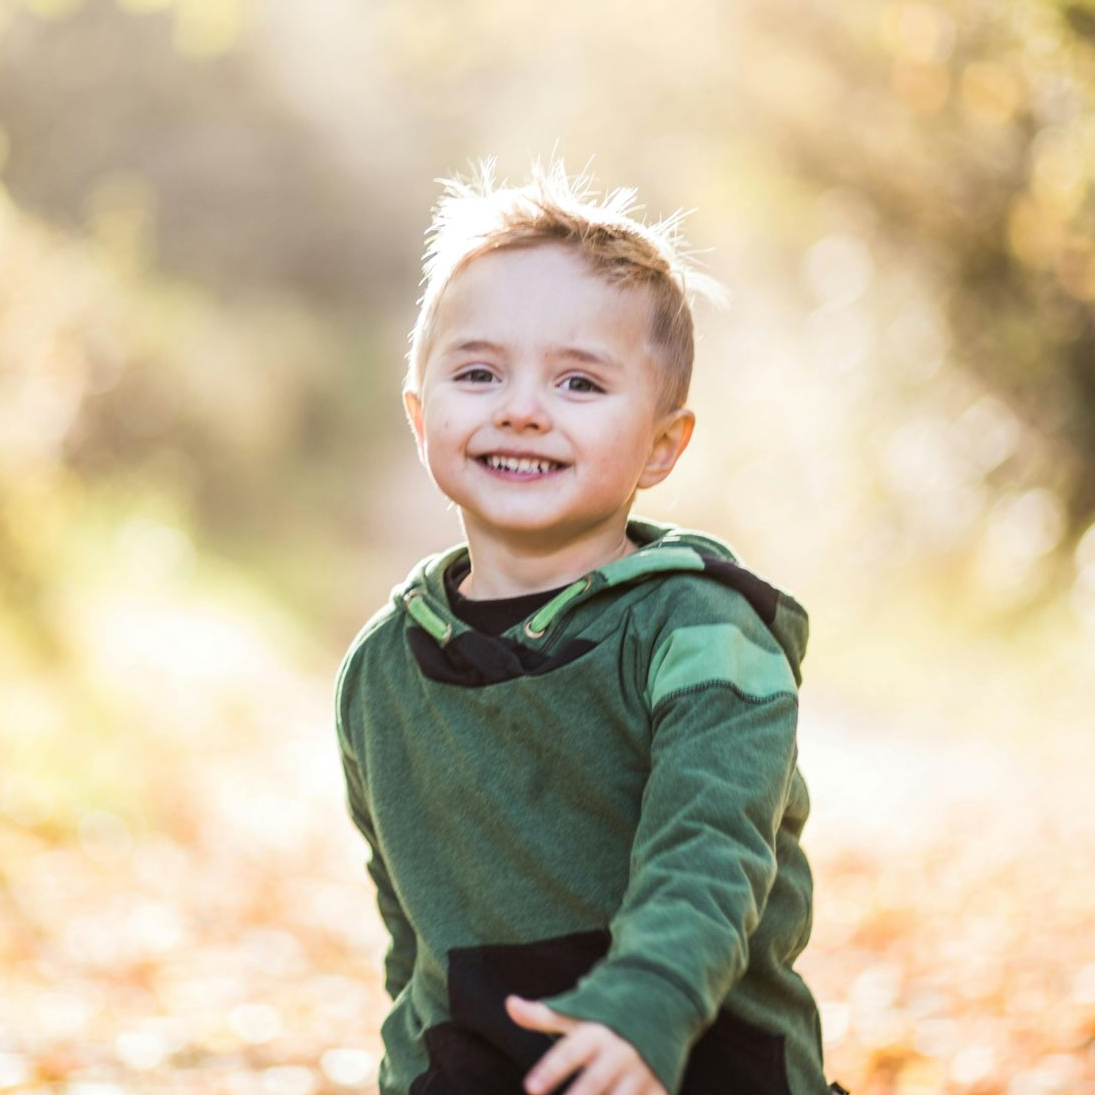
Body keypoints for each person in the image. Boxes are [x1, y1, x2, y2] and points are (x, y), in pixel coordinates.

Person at [334, 158, 847, 1095]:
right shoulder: (380, 671)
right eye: (480, 371)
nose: (522, 409)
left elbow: (712, 842)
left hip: (700, 1058)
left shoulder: (700, 629)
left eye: (578, 383)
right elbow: (412, 937)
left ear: (661, 444)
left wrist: (643, 1002)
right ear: (421, 416)